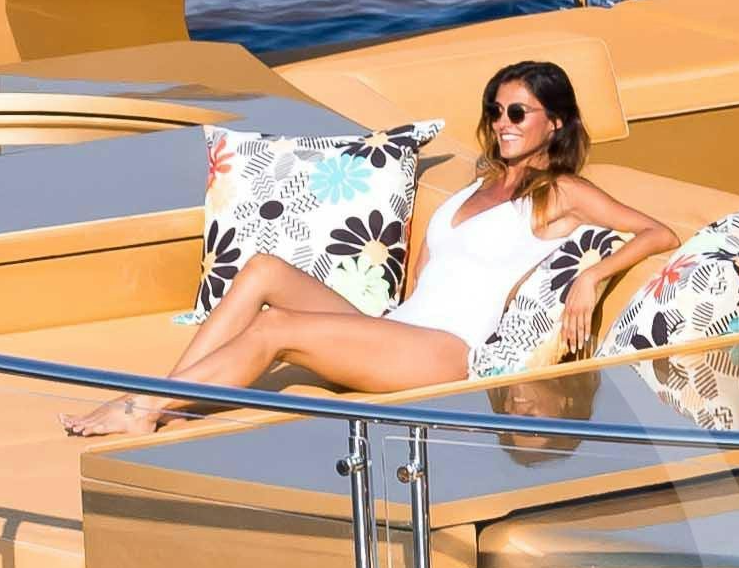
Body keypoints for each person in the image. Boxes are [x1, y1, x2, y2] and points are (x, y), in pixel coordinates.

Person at [73, 59, 666, 435]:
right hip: (399, 329)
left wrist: (592, 277)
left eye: (518, 112)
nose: (503, 122)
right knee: (262, 270)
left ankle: (143, 408)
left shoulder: (559, 192)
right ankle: (163, 396)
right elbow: (424, 282)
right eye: (495, 110)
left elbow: (658, 233)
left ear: (555, 123)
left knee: (275, 328)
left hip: (444, 353)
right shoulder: (476, 187)